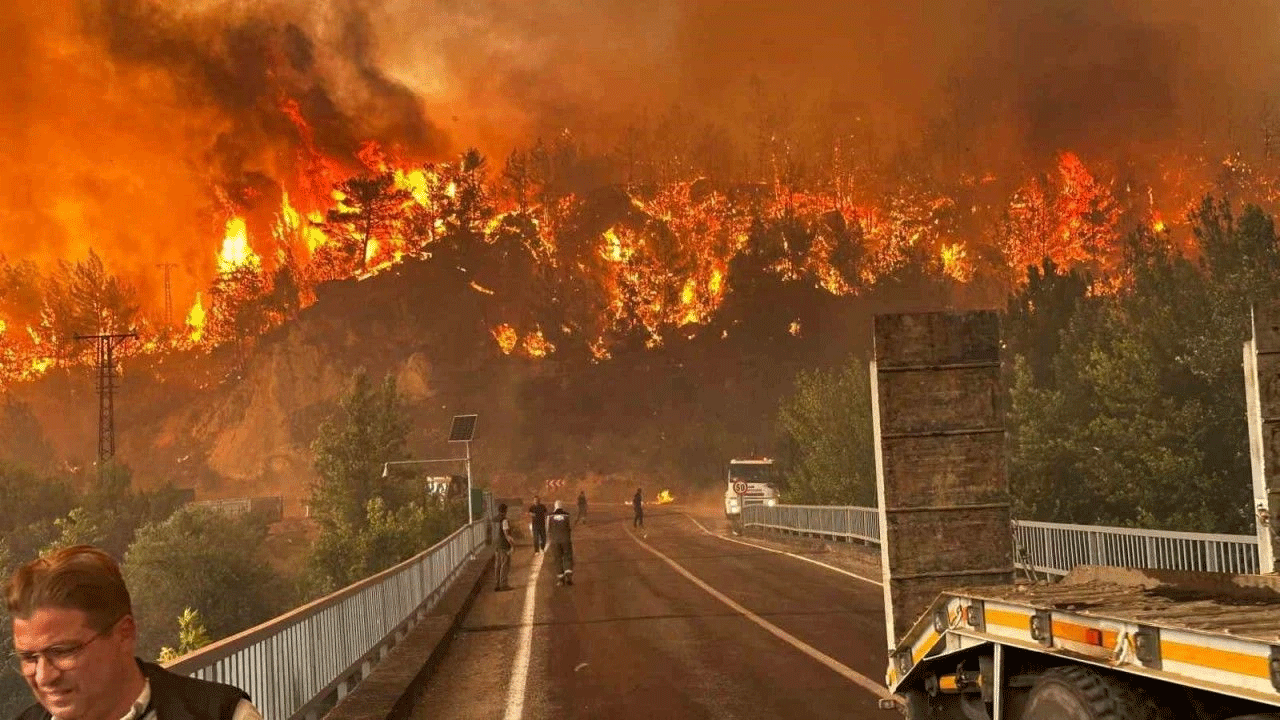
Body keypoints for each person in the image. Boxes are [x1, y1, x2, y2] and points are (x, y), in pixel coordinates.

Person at [6, 545, 262, 720]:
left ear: (124, 634)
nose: (43, 677)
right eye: (29, 658)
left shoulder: (224, 715)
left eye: (62, 652)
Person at [547, 500, 574, 586]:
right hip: (566, 540)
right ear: (562, 506)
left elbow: (547, 529)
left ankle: (560, 580)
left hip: (555, 541)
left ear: (555, 506)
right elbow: (571, 527)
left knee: (557, 559)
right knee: (567, 557)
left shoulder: (550, 516)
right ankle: (568, 576)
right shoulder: (567, 515)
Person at [493, 503, 514, 592]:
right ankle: (503, 584)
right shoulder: (504, 520)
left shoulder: (494, 519)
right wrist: (512, 544)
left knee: (497, 565)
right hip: (503, 544)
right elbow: (506, 533)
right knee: (504, 564)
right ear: (505, 510)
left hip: (495, 544)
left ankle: (497, 583)